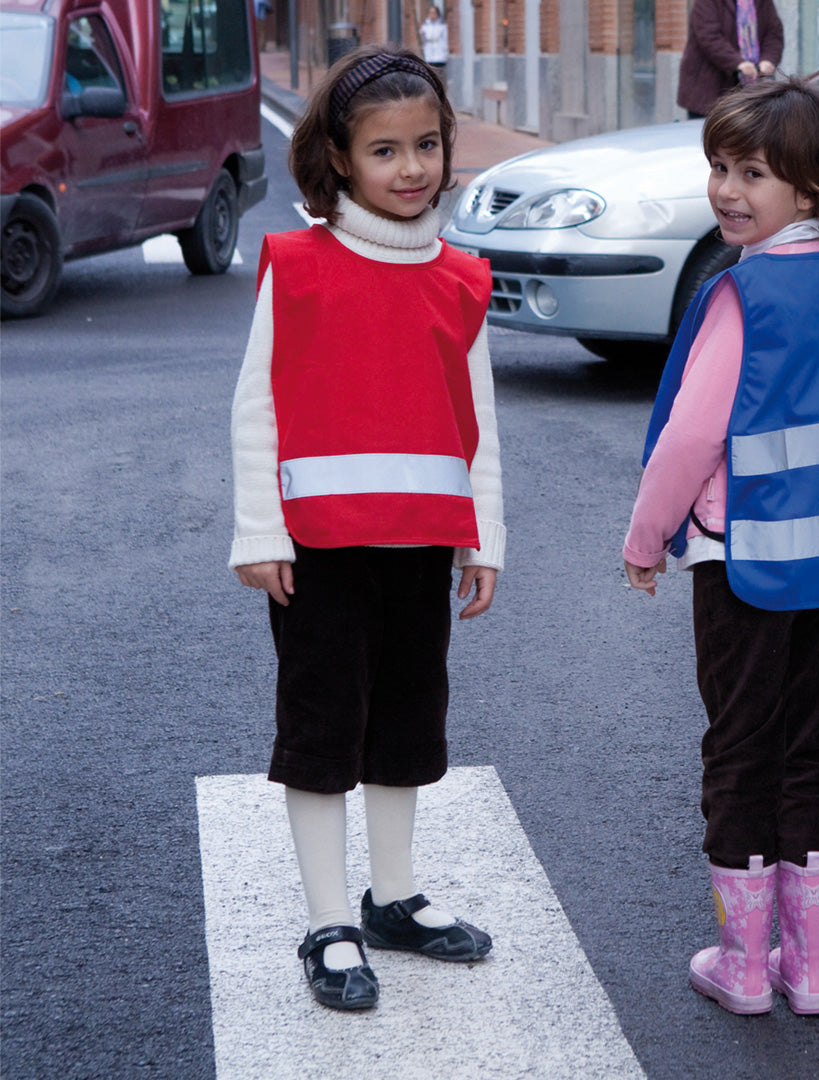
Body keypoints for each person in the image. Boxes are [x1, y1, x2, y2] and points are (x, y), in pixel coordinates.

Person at [229, 43, 505, 1012]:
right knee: (322, 730)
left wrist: (485, 538)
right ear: (341, 158)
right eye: (385, 150)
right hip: (318, 552)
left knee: (403, 726)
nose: (412, 168)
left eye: (427, 144)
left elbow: (477, 426)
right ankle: (326, 922)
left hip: (421, 549)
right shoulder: (299, 266)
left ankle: (393, 899)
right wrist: (259, 531)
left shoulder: (461, 278)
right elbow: (257, 402)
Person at [623, 78, 819, 1017]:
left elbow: (693, 438)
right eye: (719, 166)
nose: (727, 189)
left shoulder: (742, 295)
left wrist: (646, 536)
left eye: (752, 172)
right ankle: (812, 970)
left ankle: (744, 966)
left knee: (737, 751)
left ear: (813, 191)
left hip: (739, 564)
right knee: (804, 749)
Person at [677, 0, 784, 119]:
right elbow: (709, 36)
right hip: (708, 88)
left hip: (751, 91)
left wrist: (768, 59)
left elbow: (774, 33)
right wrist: (738, 63)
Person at [419, 6, 449, 84]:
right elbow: (423, 41)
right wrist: (422, 34)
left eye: (434, 13)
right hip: (429, 57)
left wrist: (445, 54)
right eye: (430, 13)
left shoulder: (442, 26)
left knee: (440, 79)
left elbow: (445, 40)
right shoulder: (425, 27)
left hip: (440, 57)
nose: (432, 15)